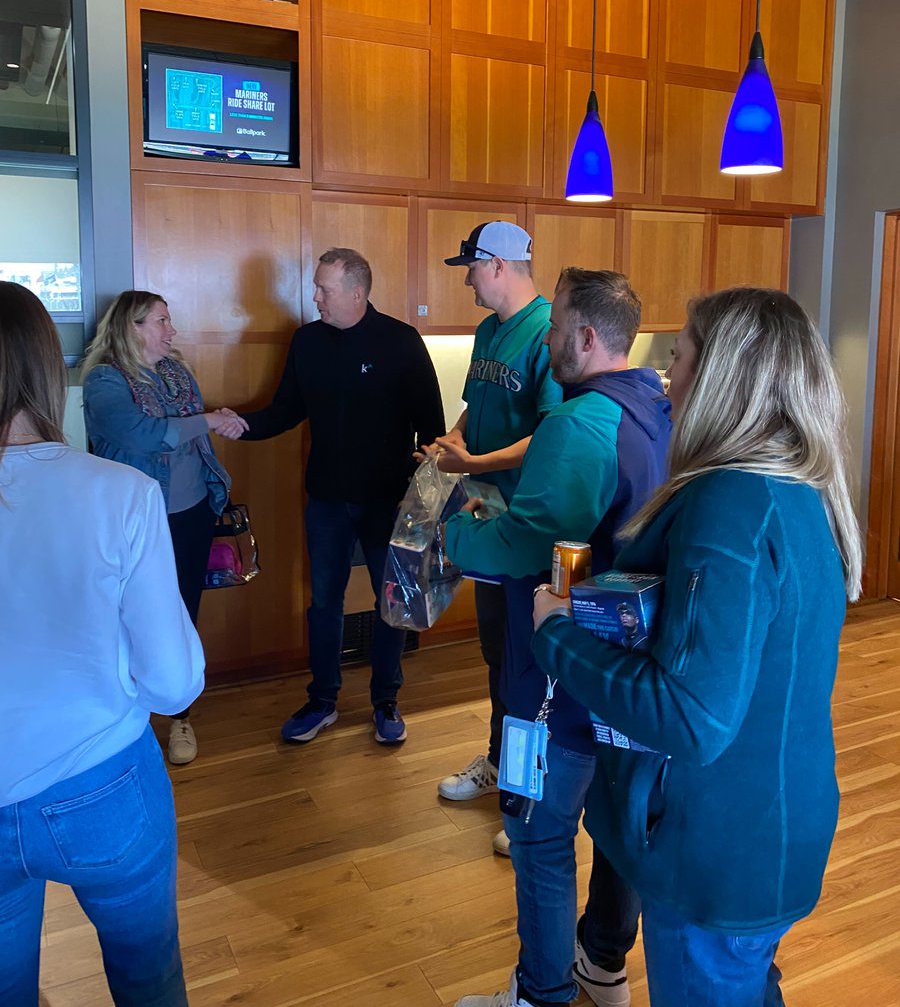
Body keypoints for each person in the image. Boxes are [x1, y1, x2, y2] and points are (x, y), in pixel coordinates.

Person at [533, 287, 863, 1007]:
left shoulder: (730, 503)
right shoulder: (792, 487)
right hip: (769, 826)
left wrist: (556, 633)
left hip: (716, 850)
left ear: (719, 376)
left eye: (676, 356)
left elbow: (691, 716)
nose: (663, 376)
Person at [445, 269, 672, 1007]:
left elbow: (526, 546)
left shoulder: (575, 426)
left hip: (554, 683)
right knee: (615, 833)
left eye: (555, 328)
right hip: (627, 678)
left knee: (539, 837)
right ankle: (601, 968)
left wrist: (451, 532)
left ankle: (540, 993)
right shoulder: (654, 408)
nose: (545, 340)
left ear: (583, 337)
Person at [0, 281, 205, 1007]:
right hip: (103, 784)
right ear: (49, 374)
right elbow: (174, 684)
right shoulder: (119, 494)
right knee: (148, 982)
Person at [237, 247, 445, 745]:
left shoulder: (401, 342)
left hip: (387, 502)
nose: (315, 298)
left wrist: (421, 503)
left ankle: (385, 699)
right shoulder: (307, 342)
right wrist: (241, 424)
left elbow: (432, 432)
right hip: (327, 499)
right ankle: (323, 699)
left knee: (392, 603)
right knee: (324, 601)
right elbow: (286, 410)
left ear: (357, 293)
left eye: (324, 290)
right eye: (316, 287)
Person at [432, 221, 562, 851]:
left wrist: (474, 464)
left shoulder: (546, 334)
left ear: (500, 265)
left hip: (526, 526)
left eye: (471, 267)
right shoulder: (487, 332)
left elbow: (548, 435)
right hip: (486, 520)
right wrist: (453, 442)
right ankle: (499, 765)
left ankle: (527, 793)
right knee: (496, 656)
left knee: (529, 667)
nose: (467, 278)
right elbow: (473, 407)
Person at [81, 290, 244, 765]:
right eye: (160, 321)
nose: (171, 331)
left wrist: (219, 419)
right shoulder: (104, 381)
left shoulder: (176, 371)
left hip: (192, 511)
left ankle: (180, 717)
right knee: (127, 617)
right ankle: (127, 720)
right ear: (129, 328)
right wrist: (209, 421)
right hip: (133, 521)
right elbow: (143, 434)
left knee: (181, 611)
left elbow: (190, 423)